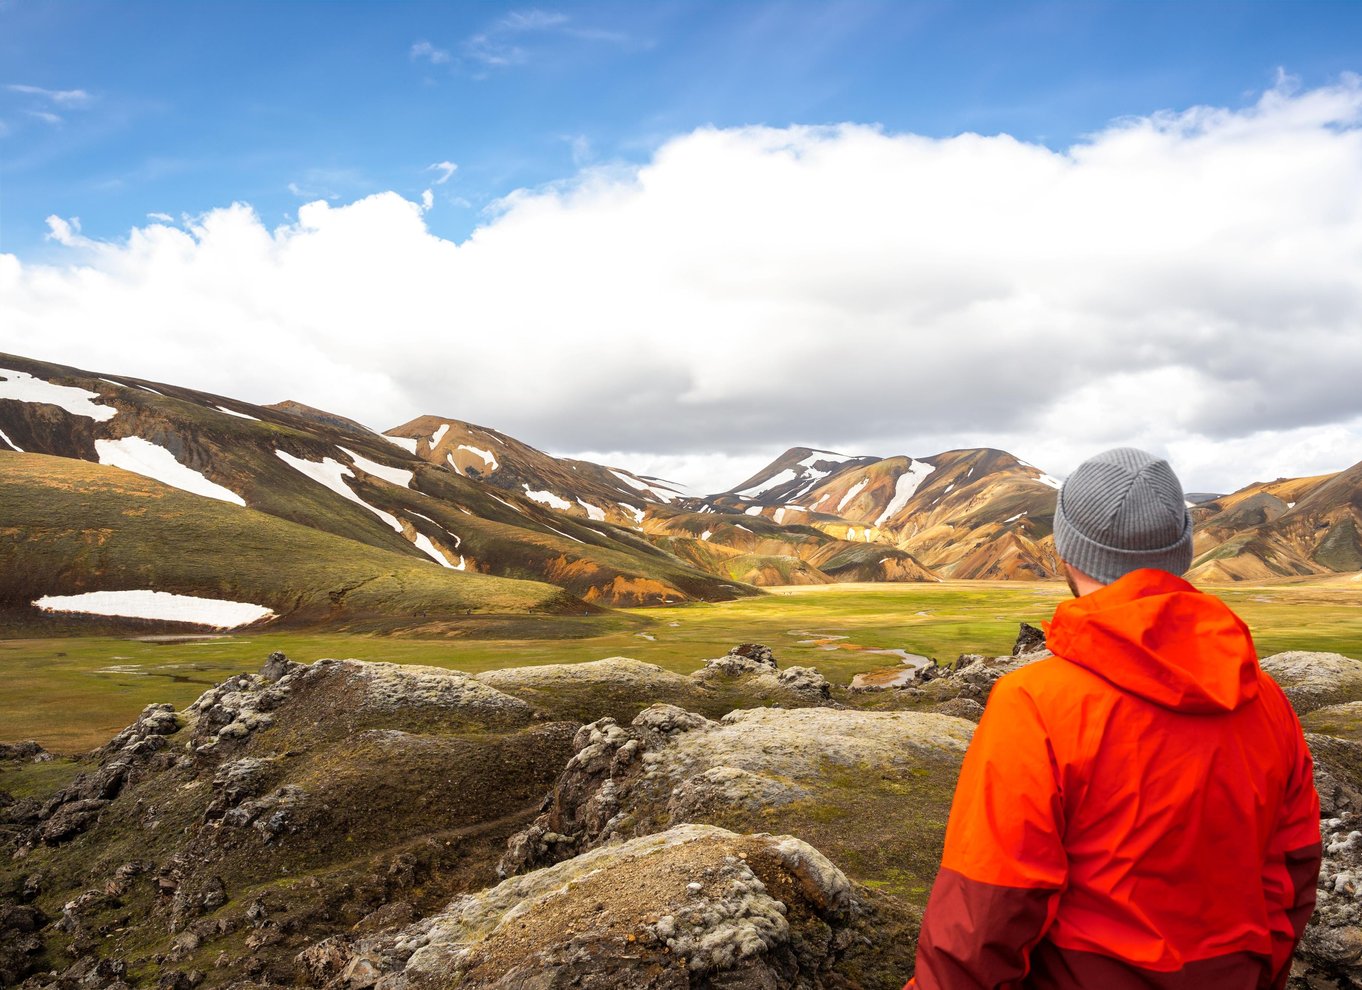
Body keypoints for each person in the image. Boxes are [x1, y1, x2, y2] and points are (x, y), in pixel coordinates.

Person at [907, 447, 1321, 990]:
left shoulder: (1033, 702)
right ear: (1184, 551)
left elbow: (987, 911)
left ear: (1065, 551)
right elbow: (1290, 878)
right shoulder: (1267, 701)